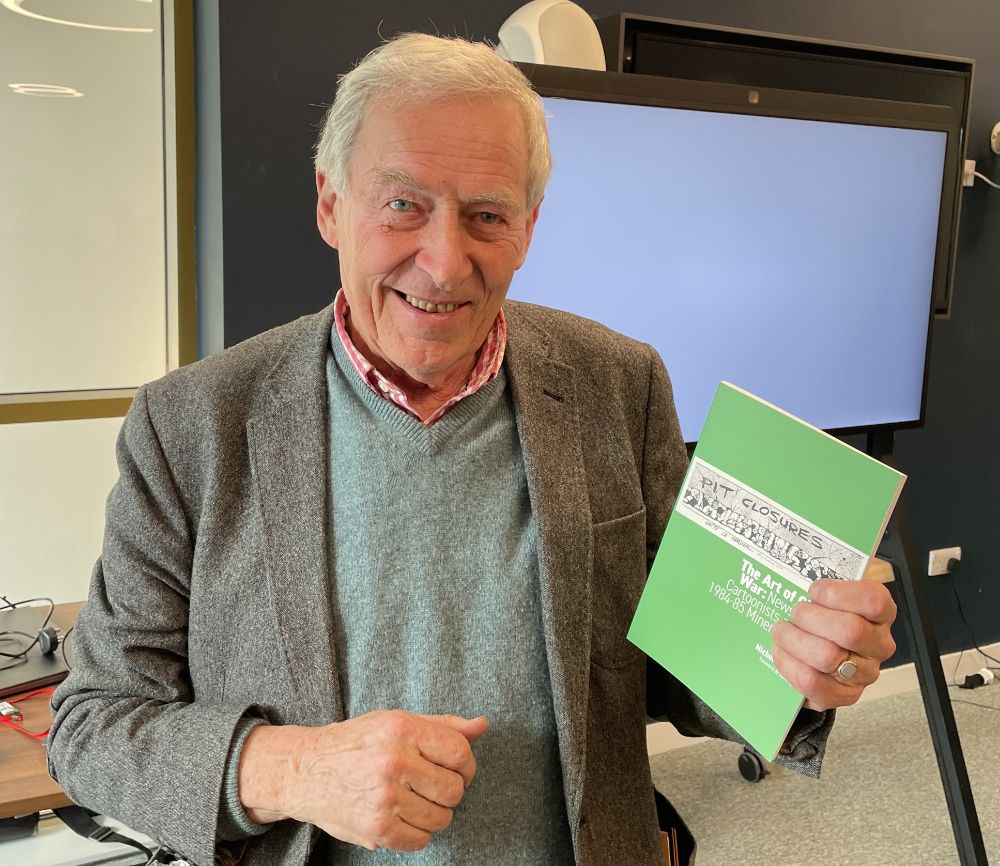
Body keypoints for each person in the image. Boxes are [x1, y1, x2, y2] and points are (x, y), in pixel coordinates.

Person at [48, 33, 896, 866]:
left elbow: (669, 665)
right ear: (330, 204)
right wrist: (290, 769)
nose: (445, 262)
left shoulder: (618, 382)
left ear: (527, 229)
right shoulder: (191, 425)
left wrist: (788, 665)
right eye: (403, 205)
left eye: (486, 215)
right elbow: (92, 728)